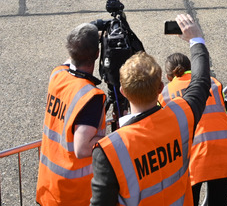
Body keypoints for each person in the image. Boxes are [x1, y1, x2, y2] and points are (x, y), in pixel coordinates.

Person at [90, 13, 211, 206]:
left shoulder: (110, 149)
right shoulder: (181, 115)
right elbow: (202, 81)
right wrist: (195, 38)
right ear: (160, 88)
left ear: (123, 91)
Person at [160, 52, 227, 206]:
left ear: (168, 77)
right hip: (224, 152)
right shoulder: (213, 82)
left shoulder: (165, 93)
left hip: (193, 157)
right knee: (219, 202)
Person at [36, 23, 107, 206]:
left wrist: (85, 35)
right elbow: (82, 149)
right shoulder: (90, 97)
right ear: (98, 54)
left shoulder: (57, 75)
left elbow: (72, 58)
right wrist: (114, 140)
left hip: (48, 186)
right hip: (73, 196)